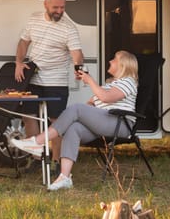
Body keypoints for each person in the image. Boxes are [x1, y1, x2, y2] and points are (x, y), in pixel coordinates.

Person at [11, 50, 138, 191]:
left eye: (114, 59)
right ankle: (64, 177)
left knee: (77, 108)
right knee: (74, 128)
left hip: (119, 124)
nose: (110, 61)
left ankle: (38, 141)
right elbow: (92, 102)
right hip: (106, 121)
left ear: (123, 65)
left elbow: (106, 98)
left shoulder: (128, 81)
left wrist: (90, 80)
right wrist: (86, 112)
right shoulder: (111, 84)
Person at [15, 0, 84, 174]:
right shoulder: (34, 19)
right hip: (34, 78)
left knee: (56, 121)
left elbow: (76, 53)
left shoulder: (69, 28)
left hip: (57, 81)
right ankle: (37, 159)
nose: (60, 11)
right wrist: (18, 62)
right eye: (56, 8)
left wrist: (78, 68)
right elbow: (23, 42)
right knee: (29, 117)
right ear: (45, 4)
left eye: (62, 8)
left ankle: (55, 162)